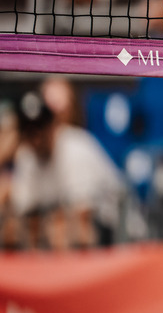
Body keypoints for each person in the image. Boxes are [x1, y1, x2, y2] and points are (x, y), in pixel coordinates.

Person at [9, 89, 127, 249]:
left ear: (52, 125)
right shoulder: (27, 155)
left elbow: (83, 217)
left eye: (39, 128)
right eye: (28, 131)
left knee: (68, 228)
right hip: (67, 226)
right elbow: (27, 214)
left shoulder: (75, 147)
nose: (35, 137)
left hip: (116, 227)